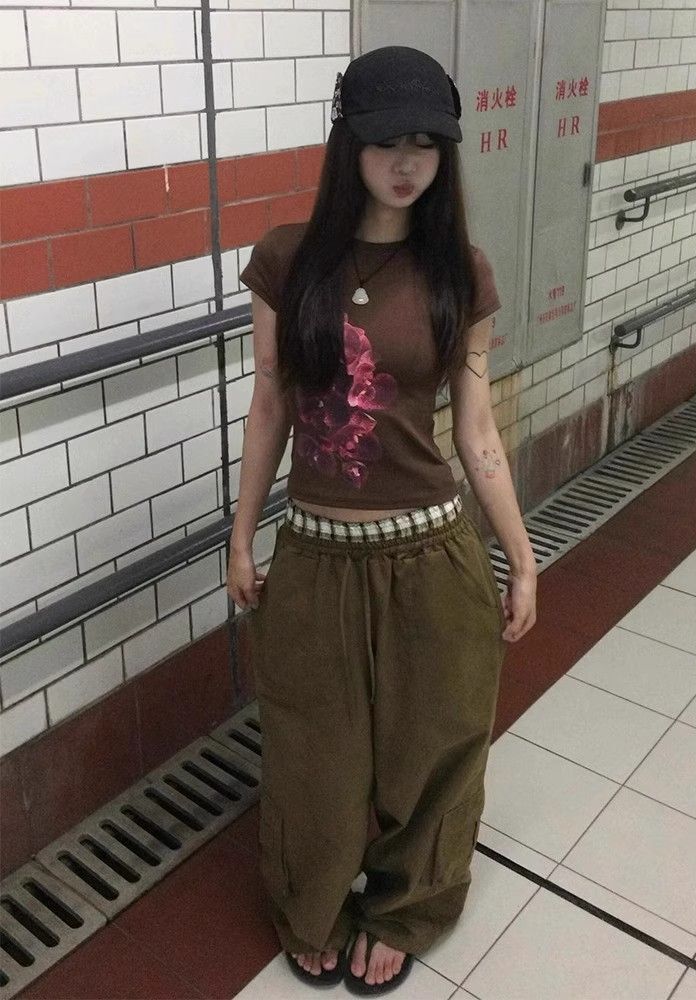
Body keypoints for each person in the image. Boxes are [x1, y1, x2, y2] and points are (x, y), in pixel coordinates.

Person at [226, 45, 536, 996]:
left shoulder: (459, 273)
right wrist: (240, 536)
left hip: (431, 553)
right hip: (317, 556)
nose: (406, 161)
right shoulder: (287, 261)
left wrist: (523, 559)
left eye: (426, 143)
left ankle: (405, 907)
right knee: (314, 756)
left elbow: (476, 432)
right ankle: (312, 902)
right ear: (347, 143)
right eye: (385, 140)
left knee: (433, 748)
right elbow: (269, 407)